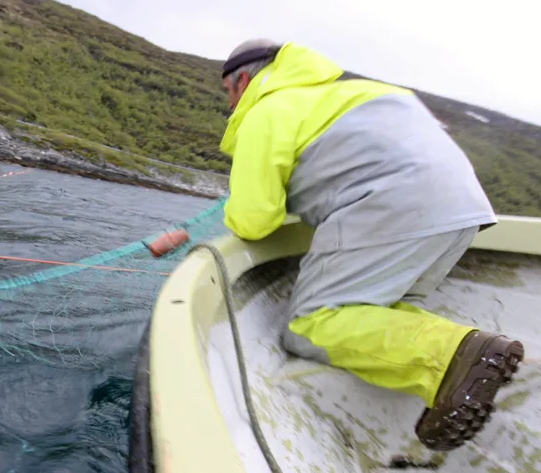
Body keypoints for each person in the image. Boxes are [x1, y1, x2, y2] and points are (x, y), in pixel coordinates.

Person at [218, 38, 525, 451]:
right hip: (462, 210)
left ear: (241, 81)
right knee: (371, 313)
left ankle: (454, 354)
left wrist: (234, 211)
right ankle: (450, 379)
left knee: (311, 324)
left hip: (395, 205)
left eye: (228, 94)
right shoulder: (361, 92)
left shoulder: (269, 108)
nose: (231, 105)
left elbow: (255, 221)